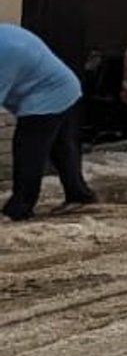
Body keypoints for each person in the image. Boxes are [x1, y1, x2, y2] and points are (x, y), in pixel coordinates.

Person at [0, 22, 96, 221]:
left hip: (48, 93)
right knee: (60, 148)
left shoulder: (7, 50)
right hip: (64, 86)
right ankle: (80, 195)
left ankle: (20, 207)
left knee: (28, 148)